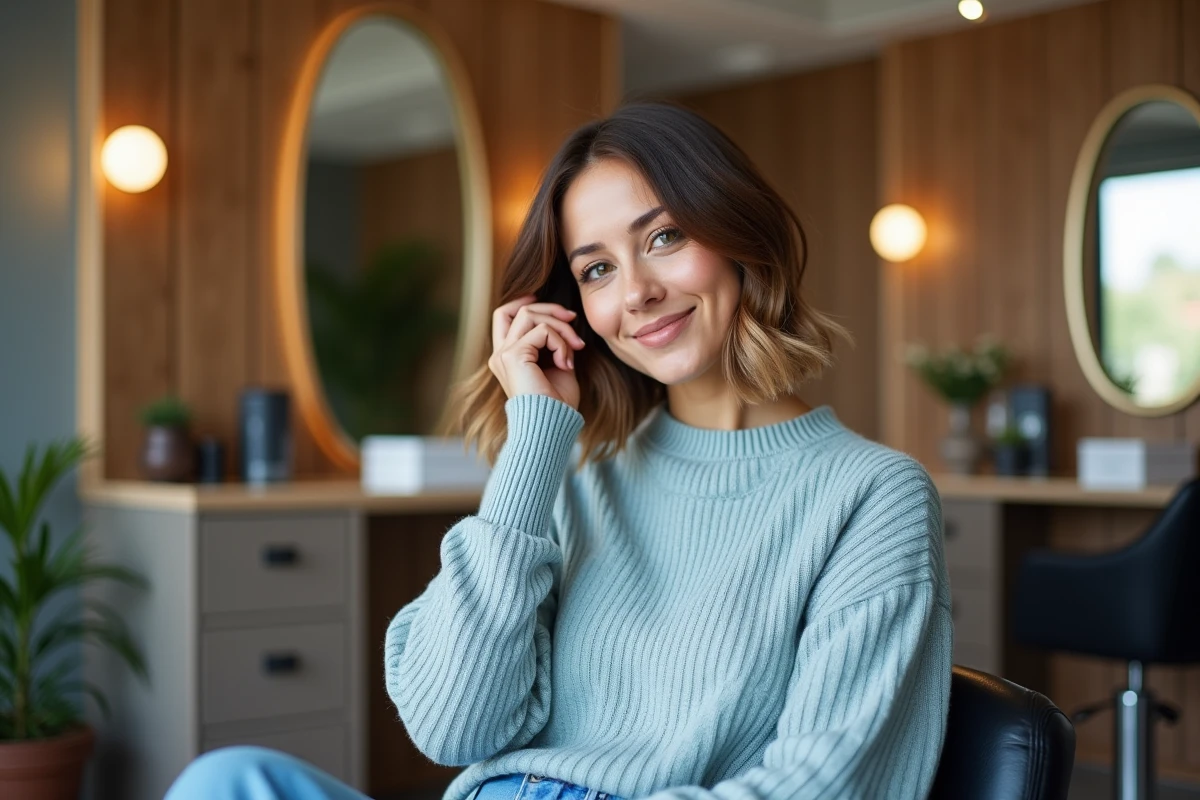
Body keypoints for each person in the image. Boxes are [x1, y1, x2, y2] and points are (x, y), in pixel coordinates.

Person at [165, 101, 952, 800]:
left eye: (666, 237)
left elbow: (827, 781)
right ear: (577, 308)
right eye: (598, 269)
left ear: (740, 235)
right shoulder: (576, 478)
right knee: (226, 782)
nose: (636, 291)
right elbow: (451, 728)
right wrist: (534, 445)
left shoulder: (871, 494)